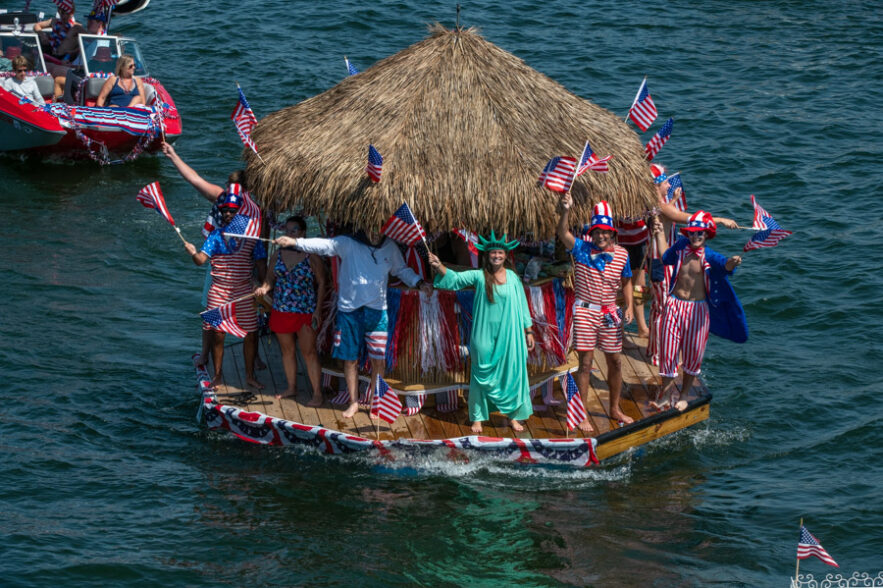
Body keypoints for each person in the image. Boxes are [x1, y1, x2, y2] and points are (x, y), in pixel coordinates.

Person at [274, 228, 433, 419]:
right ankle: (353, 402)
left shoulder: (390, 246)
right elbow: (324, 246)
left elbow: (401, 270)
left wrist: (419, 282)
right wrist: (295, 243)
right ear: (364, 225)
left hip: (377, 312)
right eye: (371, 227)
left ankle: (376, 402)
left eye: (378, 229)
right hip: (349, 312)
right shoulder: (347, 243)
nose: (374, 233)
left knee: (379, 360)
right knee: (350, 360)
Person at [427, 232, 535, 433]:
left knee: (513, 376)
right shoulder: (479, 275)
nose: (496, 256)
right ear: (487, 255)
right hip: (483, 336)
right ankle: (477, 418)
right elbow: (456, 279)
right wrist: (439, 265)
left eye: (500, 252)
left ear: (505, 255)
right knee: (479, 376)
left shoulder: (512, 277)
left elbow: (522, 305)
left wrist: (528, 331)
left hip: (511, 336)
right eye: (493, 252)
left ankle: (513, 416)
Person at [653, 211, 742, 412]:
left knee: (693, 354)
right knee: (667, 351)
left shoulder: (708, 255)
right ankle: (665, 393)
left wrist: (732, 262)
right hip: (674, 304)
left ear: (707, 234)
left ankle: (684, 394)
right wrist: (658, 234)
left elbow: (724, 265)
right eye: (692, 233)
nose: (695, 237)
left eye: (700, 233)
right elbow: (665, 256)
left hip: (698, 309)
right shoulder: (680, 247)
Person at [557, 197, 635, 428]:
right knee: (585, 363)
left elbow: (627, 281)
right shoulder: (581, 248)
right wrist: (565, 211)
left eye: (606, 232)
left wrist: (629, 305)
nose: (601, 236)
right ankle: (581, 415)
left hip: (610, 311)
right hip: (584, 311)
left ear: (612, 234)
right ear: (592, 232)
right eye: (597, 232)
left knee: (616, 361)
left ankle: (614, 408)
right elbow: (562, 232)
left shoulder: (622, 254)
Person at [182, 190, 268, 389]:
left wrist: (263, 286)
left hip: (244, 290)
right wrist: (193, 252)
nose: (227, 213)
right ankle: (218, 375)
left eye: (232, 210)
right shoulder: (216, 235)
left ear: (240, 211)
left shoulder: (251, 236)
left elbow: (261, 263)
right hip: (218, 291)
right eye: (224, 210)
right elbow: (201, 260)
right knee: (217, 333)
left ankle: (249, 375)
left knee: (251, 333)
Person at [254, 216, 328, 404]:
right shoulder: (277, 254)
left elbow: (321, 283)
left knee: (309, 352)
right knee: (287, 351)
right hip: (281, 309)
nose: (289, 234)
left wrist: (318, 310)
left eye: (294, 230)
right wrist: (264, 288)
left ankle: (317, 393)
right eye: (287, 230)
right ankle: (291, 387)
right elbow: (270, 278)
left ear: (303, 233)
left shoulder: (311, 255)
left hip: (305, 310)